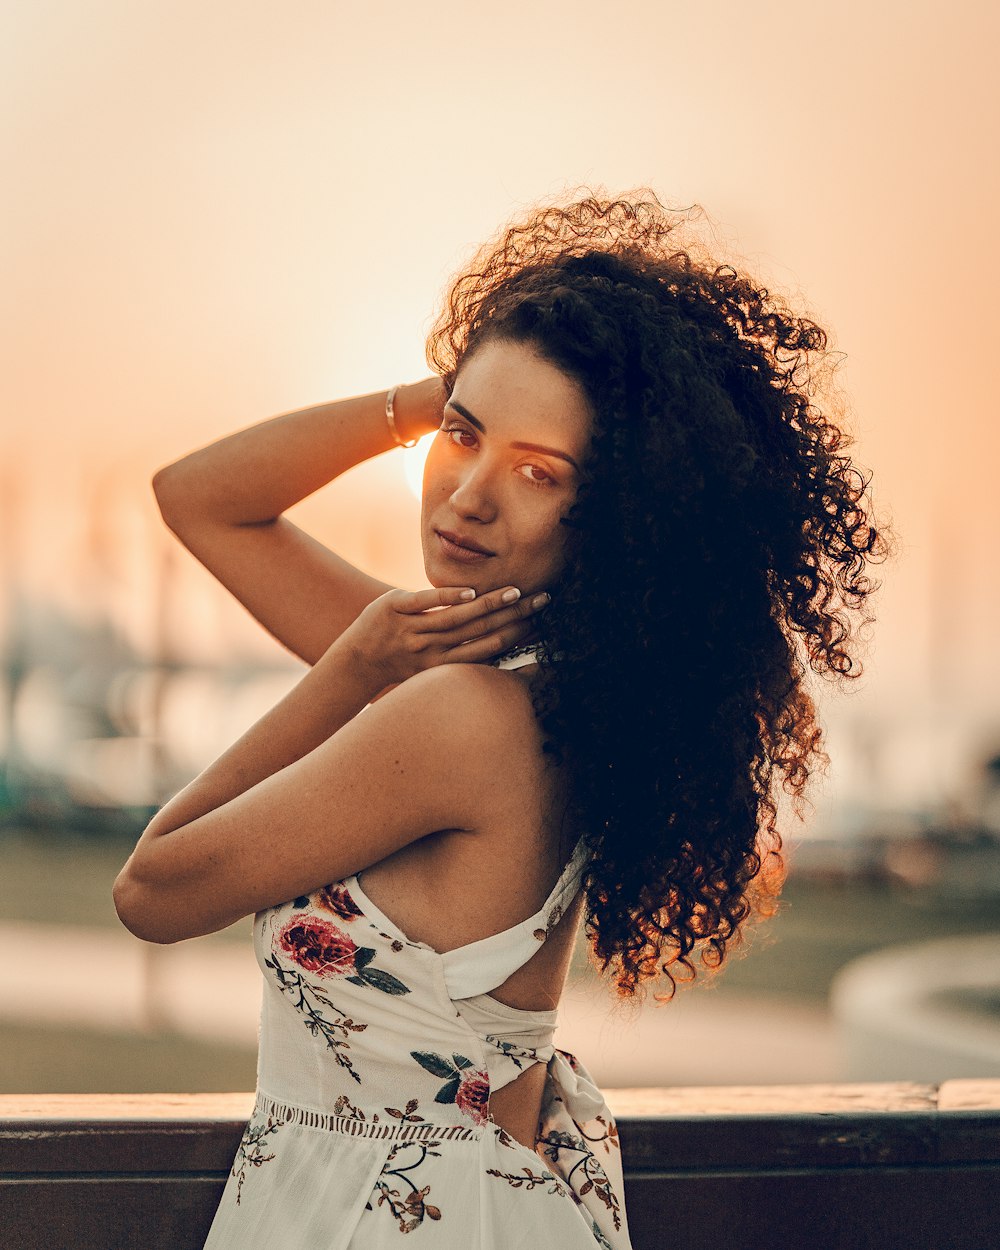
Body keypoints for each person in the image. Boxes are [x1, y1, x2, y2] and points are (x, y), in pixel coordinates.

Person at [113, 191, 887, 1247]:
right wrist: (469, 382)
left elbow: (152, 888)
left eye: (537, 472)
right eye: (460, 438)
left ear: (625, 507)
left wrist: (347, 671)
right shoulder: (542, 687)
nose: (468, 495)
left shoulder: (450, 711)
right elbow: (201, 496)